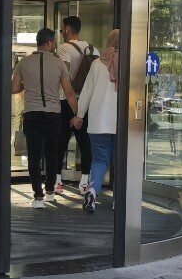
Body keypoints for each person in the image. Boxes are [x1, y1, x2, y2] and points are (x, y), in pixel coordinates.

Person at [11, 27, 79, 208]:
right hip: (53, 115)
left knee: (34, 156)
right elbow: (69, 93)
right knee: (51, 154)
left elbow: (14, 88)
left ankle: (38, 197)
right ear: (49, 42)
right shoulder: (59, 64)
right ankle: (50, 192)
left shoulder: (23, 63)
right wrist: (77, 114)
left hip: (32, 114)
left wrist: (27, 84)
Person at [72, 28, 119, 215]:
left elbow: (86, 92)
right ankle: (118, 200)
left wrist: (79, 115)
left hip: (98, 122)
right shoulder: (128, 63)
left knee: (99, 160)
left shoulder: (97, 63)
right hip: (121, 124)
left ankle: (92, 191)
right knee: (120, 162)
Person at [54, 15, 97, 195]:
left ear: (68, 29)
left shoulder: (65, 48)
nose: (62, 32)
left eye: (62, 29)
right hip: (85, 102)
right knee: (85, 143)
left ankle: (57, 181)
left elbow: (61, 73)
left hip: (65, 100)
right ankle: (85, 181)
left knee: (61, 141)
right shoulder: (93, 49)